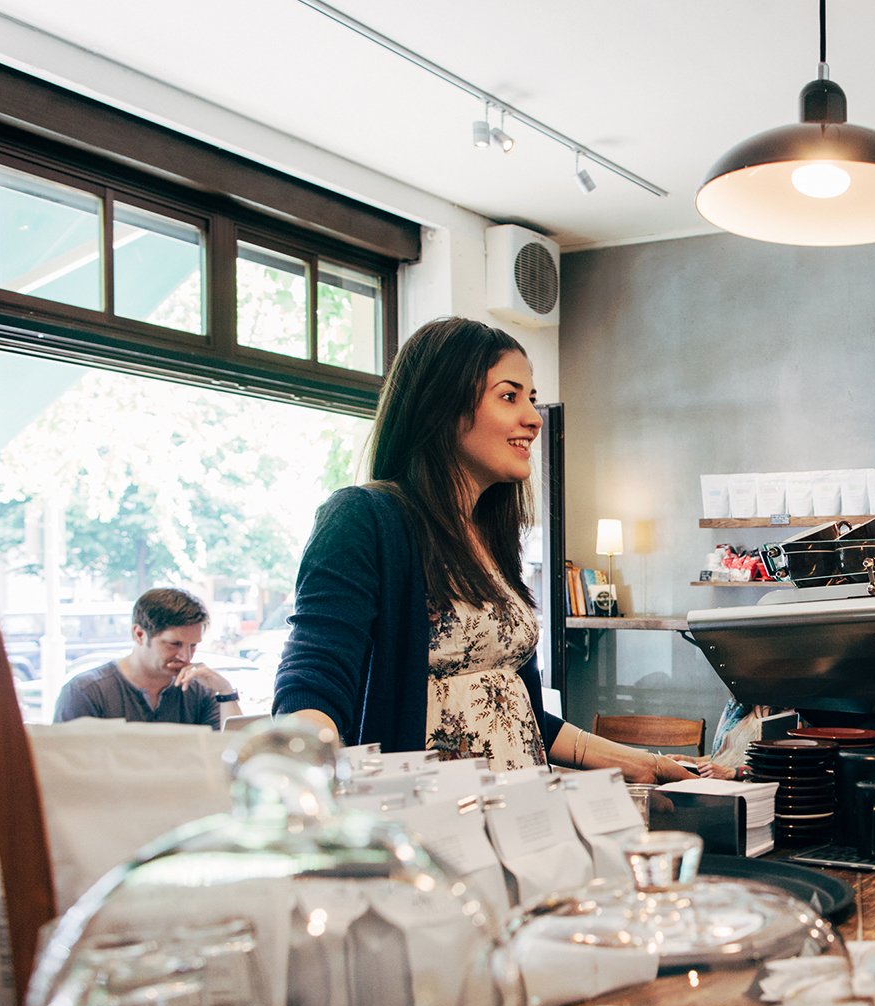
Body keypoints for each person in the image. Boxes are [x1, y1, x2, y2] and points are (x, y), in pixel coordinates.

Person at [275, 316, 691, 782]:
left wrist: (645, 762)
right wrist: (301, 776)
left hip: (523, 818)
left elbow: (517, 710)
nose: (533, 419)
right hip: (432, 820)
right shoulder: (365, 517)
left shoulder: (492, 542)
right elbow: (314, 675)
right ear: (441, 405)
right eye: (509, 396)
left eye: (531, 400)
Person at [54, 588, 242, 729]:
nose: (185, 656)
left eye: (193, 646)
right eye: (173, 644)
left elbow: (235, 754)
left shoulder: (199, 690)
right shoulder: (86, 692)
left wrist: (226, 693)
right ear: (139, 635)